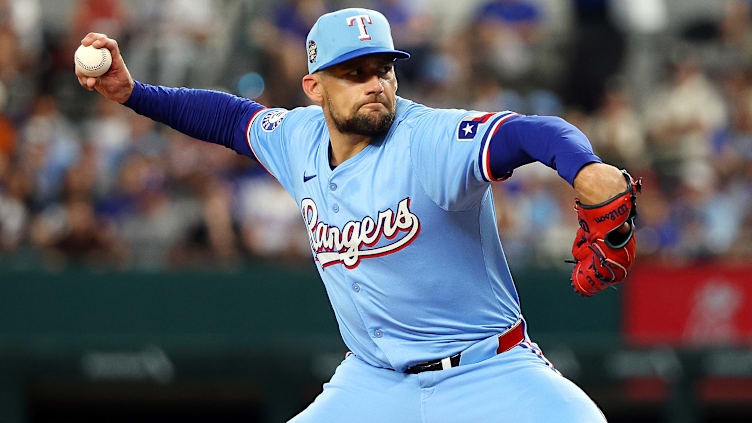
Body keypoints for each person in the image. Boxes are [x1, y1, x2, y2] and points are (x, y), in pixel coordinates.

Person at [76, 8, 640, 422]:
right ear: (314, 88)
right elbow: (225, 118)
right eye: (355, 72)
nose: (375, 84)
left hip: (489, 374)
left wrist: (584, 168)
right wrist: (133, 93)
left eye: (383, 70)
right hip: (372, 384)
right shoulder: (297, 137)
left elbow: (527, 133)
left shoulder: (429, 140)